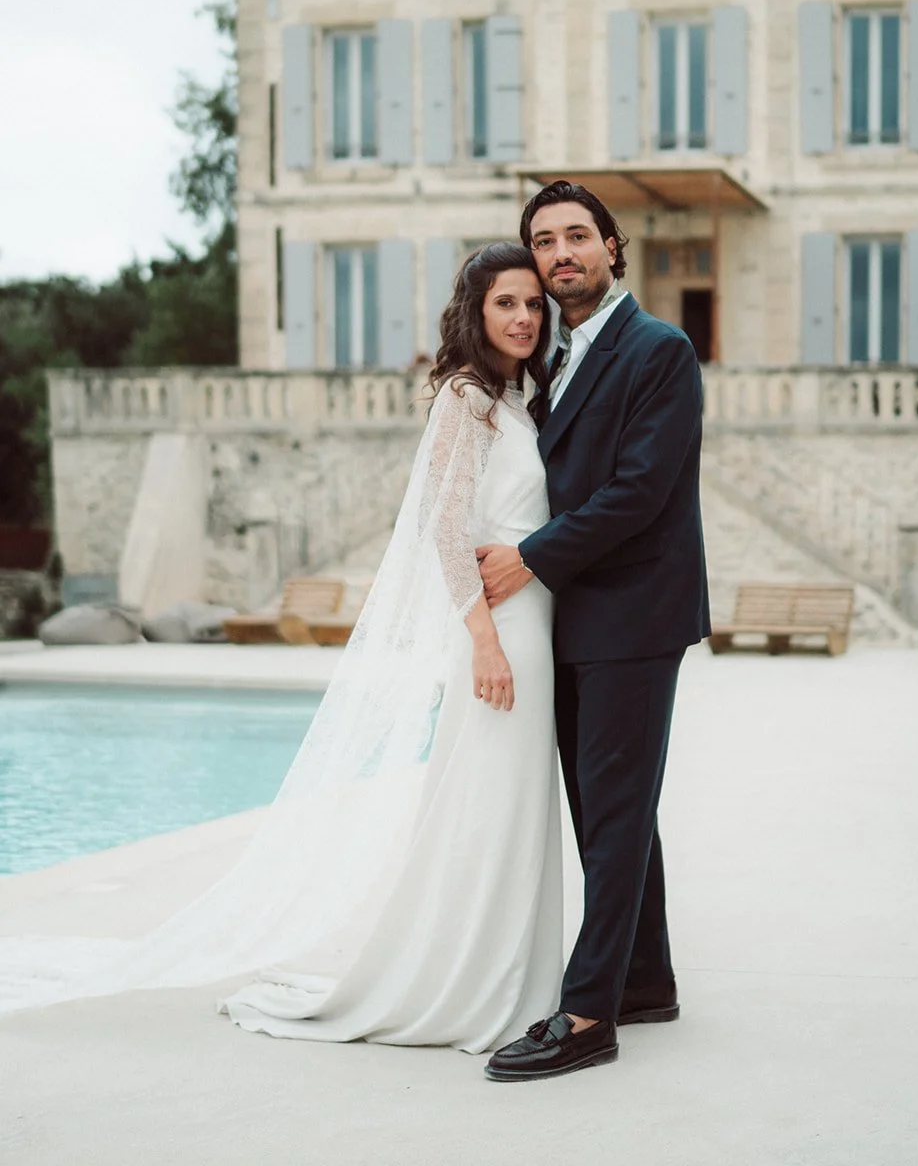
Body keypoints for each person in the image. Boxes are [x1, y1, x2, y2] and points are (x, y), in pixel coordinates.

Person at [0, 243, 564, 1058]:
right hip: (498, 631)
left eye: (532, 304)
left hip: (534, 620)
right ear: (475, 313)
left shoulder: (520, 399)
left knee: (512, 805)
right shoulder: (465, 398)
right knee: (484, 805)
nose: (523, 317)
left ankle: (516, 975)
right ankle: (470, 984)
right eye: (505, 302)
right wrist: (481, 640)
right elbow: (442, 531)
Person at [477, 182, 710, 1082]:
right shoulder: (548, 355)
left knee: (611, 817)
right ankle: (644, 982)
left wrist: (529, 558)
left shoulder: (659, 349)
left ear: (612, 248)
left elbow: (639, 491)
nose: (560, 253)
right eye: (543, 241)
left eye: (577, 236)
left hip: (633, 614)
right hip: (573, 617)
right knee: (609, 810)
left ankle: (587, 1016)